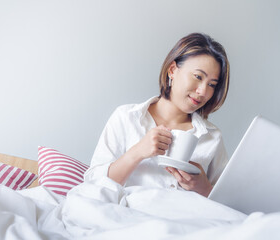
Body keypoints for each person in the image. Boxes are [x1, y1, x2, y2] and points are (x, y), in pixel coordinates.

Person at [84, 32, 230, 197]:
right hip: (129, 217)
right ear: (173, 70)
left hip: (186, 220)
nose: (203, 91)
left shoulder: (212, 137)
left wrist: (204, 188)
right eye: (198, 77)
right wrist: (137, 152)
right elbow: (92, 185)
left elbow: (228, 205)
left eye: (212, 85)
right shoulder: (127, 118)